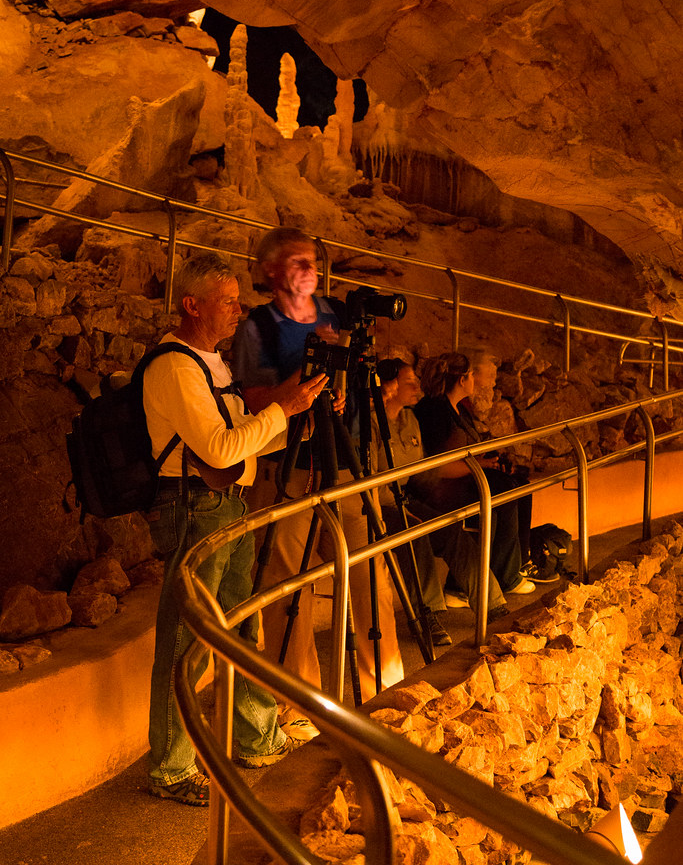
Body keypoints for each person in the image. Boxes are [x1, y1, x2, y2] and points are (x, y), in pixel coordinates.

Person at [143, 251, 328, 805]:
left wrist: (296, 414)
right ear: (191, 304)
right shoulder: (175, 367)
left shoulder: (212, 364)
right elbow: (219, 448)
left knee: (243, 628)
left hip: (225, 502)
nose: (238, 310)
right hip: (193, 508)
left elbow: (238, 444)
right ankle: (171, 768)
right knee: (184, 638)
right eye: (227, 301)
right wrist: (280, 410)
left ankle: (256, 734)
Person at [232, 226, 404, 706]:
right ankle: (299, 704)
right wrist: (307, 370)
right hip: (290, 468)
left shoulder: (334, 312)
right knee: (289, 588)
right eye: (297, 261)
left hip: (345, 462)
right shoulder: (256, 328)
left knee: (372, 576)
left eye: (312, 260)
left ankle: (386, 688)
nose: (310, 269)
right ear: (270, 270)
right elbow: (252, 399)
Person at [371, 358, 508, 628]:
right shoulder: (372, 421)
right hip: (379, 503)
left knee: (452, 531)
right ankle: (427, 616)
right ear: (390, 386)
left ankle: (493, 606)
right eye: (409, 381)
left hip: (405, 498)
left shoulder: (409, 419)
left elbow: (420, 470)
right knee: (415, 535)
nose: (417, 387)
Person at [413, 352, 538, 611]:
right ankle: (465, 583)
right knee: (497, 493)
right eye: (472, 375)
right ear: (462, 379)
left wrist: (486, 460)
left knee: (518, 485)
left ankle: (511, 567)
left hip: (464, 476)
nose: (475, 381)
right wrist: (480, 464)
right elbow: (436, 465)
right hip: (440, 486)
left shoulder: (459, 408)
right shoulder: (434, 410)